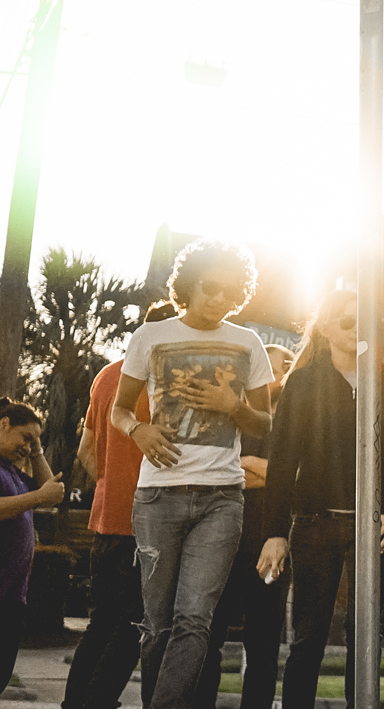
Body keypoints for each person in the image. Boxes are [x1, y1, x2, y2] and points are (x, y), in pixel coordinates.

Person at [110, 240, 274, 709]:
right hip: (158, 497)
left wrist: (233, 406)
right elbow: (119, 411)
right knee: (156, 622)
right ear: (188, 285)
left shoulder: (248, 343)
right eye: (210, 287)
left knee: (194, 619)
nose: (219, 298)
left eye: (230, 291)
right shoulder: (150, 337)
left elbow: (265, 424)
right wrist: (138, 429)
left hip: (222, 498)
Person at [257, 288, 384, 709]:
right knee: (308, 637)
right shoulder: (303, 382)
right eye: (347, 321)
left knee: (365, 637)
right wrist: (274, 532)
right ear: (326, 327)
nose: (357, 330)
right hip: (314, 524)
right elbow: (281, 461)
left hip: (376, 527)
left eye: (365, 322)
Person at [64, 302, 177, 709]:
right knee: (133, 628)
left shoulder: (108, 375)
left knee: (102, 624)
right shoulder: (167, 382)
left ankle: (75, 703)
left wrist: (113, 487)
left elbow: (86, 452)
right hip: (148, 524)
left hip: (107, 522)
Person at [194, 341, 296, 709]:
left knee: (264, 644)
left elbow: (293, 478)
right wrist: (262, 470)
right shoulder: (228, 417)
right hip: (220, 541)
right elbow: (216, 472)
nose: (269, 374)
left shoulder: (290, 421)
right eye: (262, 366)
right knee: (209, 636)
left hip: (272, 544)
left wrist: (246, 464)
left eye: (277, 366)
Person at [0, 397, 62, 692]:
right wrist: (38, 497)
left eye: (33, 443)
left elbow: (51, 493)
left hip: (12, 594)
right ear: (3, 424)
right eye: (25, 437)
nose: (27, 447)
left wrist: (37, 449)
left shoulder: (13, 473)